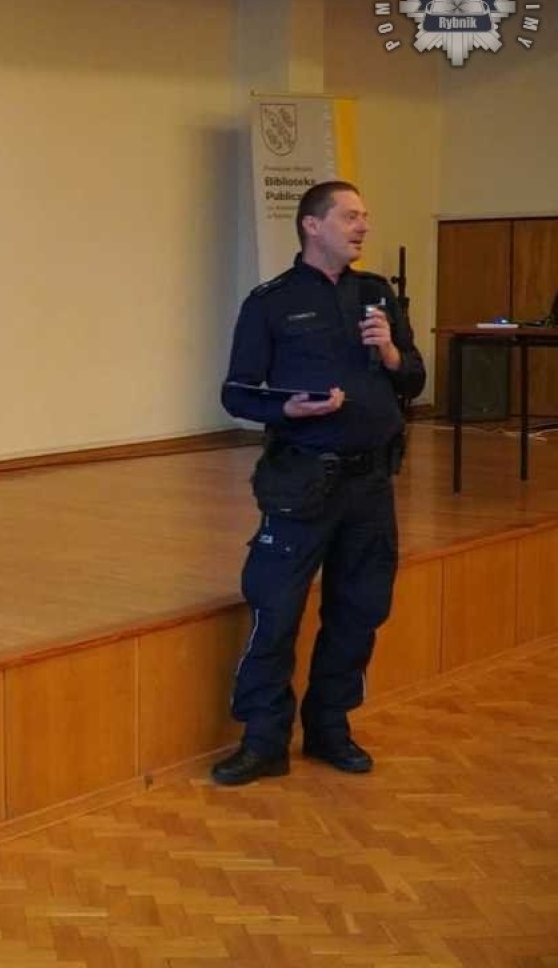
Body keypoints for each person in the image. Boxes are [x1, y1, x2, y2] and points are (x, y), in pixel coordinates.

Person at [213, 180, 425, 785]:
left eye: (365, 216)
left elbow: (414, 378)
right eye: (350, 216)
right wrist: (287, 409)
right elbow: (237, 393)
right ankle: (263, 740)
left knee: (358, 611)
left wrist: (391, 353)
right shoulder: (271, 302)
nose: (363, 226)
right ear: (312, 225)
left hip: (371, 485)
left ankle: (330, 727)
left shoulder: (376, 294)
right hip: (302, 482)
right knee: (276, 609)